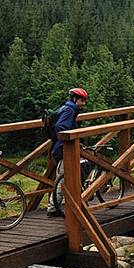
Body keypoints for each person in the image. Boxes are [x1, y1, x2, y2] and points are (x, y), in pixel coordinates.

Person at [46, 87, 89, 217]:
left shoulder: (66, 108)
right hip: (63, 148)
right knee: (62, 177)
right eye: (82, 100)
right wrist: (69, 139)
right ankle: (53, 208)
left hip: (59, 147)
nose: (84, 104)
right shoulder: (70, 110)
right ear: (75, 99)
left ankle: (68, 202)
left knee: (67, 175)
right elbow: (61, 126)